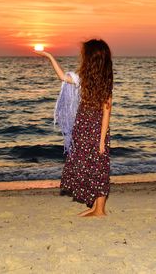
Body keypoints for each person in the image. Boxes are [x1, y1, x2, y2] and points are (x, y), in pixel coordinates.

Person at [34, 39, 113, 217]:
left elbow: (107, 112)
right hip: (82, 129)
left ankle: (100, 210)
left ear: (91, 58)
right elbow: (63, 77)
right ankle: (95, 206)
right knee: (87, 166)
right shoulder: (82, 79)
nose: (81, 57)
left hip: (96, 131)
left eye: (85, 54)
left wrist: (101, 141)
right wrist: (48, 56)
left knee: (99, 167)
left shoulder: (105, 82)